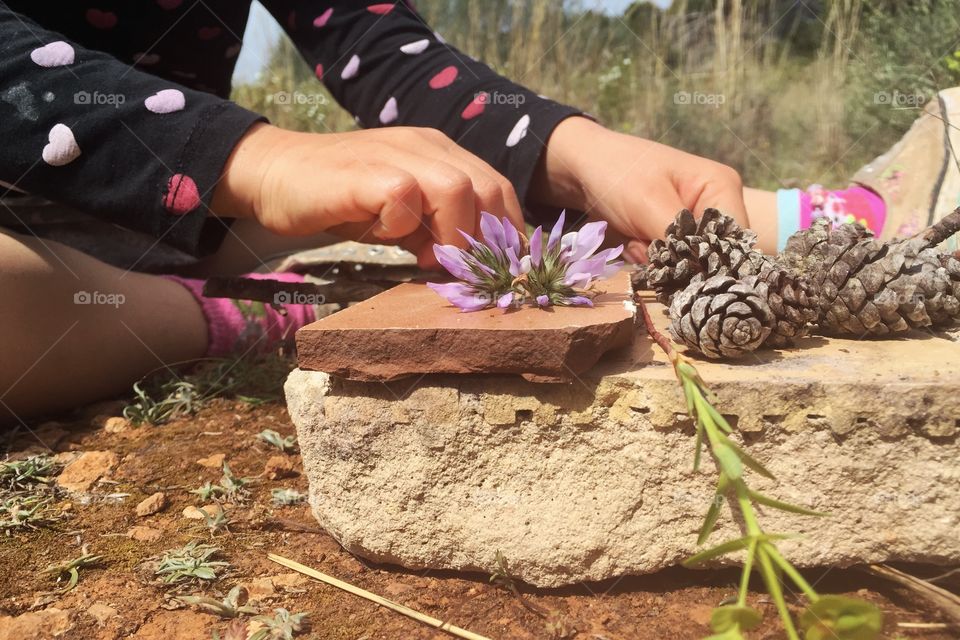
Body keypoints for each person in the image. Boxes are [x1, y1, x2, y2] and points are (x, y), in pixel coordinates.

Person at [1, 1, 957, 422]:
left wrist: (580, 154)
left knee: (435, 190)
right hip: (40, 228)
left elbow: (382, 50)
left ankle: (809, 222)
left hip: (182, 209)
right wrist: (247, 152)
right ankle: (230, 318)